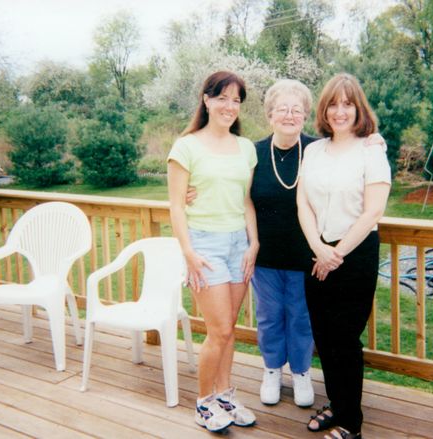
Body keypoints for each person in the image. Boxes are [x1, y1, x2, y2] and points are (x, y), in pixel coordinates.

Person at [297, 73, 391, 439]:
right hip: (317, 251)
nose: (340, 111)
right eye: (333, 104)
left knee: (345, 339)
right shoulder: (314, 150)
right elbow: (302, 202)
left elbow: (373, 211)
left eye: (347, 104)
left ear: (358, 109)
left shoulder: (372, 149)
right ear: (325, 109)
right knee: (324, 336)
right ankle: (338, 404)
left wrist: (335, 254)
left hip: (354, 254)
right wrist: (319, 248)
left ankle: (352, 424)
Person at [167, 71, 259, 433]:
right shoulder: (186, 146)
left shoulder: (246, 147)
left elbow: (247, 200)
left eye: (236, 100)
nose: (230, 106)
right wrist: (188, 252)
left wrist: (254, 243)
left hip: (239, 243)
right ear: (206, 100)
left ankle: (225, 396)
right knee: (218, 330)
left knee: (229, 330)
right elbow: (176, 206)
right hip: (204, 245)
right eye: (222, 98)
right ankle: (204, 403)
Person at [250, 79, 318, 407]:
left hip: (306, 256)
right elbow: (227, 186)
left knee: (301, 316)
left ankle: (302, 372)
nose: (289, 115)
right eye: (282, 109)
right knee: (269, 316)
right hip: (265, 256)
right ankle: (272, 369)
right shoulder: (253, 153)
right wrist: (192, 192)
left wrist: (373, 142)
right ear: (270, 115)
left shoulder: (318, 150)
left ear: (305, 115)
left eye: (296, 110)